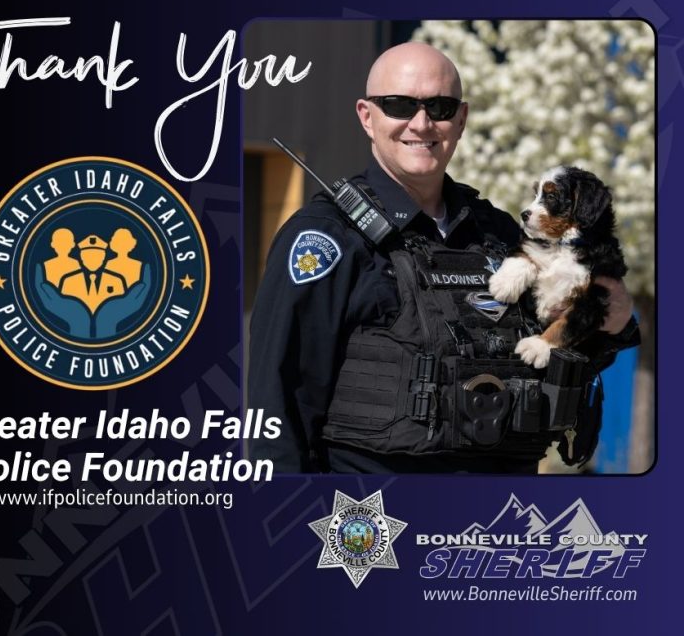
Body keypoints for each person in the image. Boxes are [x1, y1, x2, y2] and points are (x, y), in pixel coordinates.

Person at [247, 42, 639, 474]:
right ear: (366, 116)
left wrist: (613, 327)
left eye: (440, 106)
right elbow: (277, 404)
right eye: (398, 104)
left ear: (462, 118)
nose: (421, 122)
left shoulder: (499, 233)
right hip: (375, 518)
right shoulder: (326, 237)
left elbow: (563, 355)